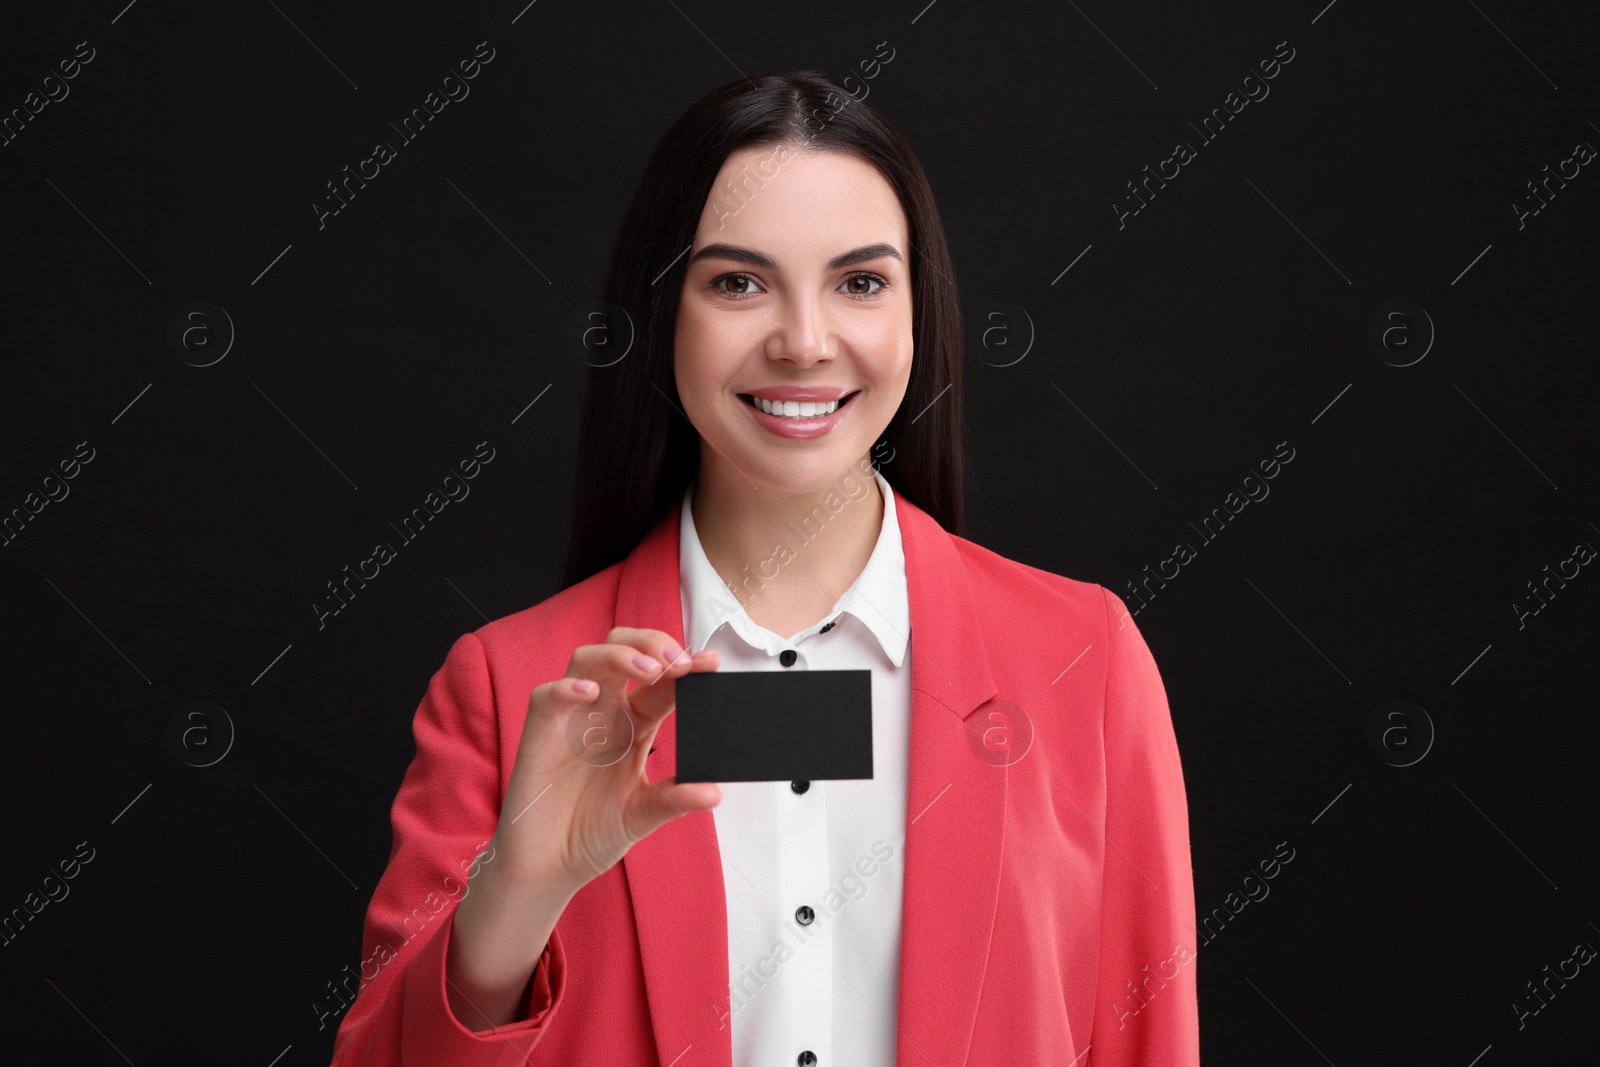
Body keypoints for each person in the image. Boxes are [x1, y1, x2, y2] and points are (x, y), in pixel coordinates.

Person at [327, 69, 1199, 1067]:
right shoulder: (507, 685)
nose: (803, 341)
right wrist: (515, 893)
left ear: (922, 310)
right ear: (664, 315)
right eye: (737, 282)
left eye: (859, 281)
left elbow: (1146, 1042)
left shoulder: (1081, 663)